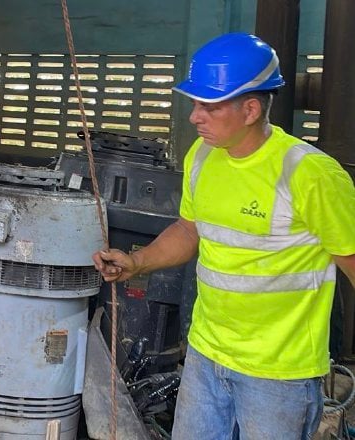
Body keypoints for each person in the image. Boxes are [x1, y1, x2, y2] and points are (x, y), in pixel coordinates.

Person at [93, 33, 355, 439]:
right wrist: (137, 262)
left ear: (250, 109)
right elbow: (188, 229)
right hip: (206, 356)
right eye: (195, 104)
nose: (194, 117)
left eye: (208, 106)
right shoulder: (201, 157)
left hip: (278, 375)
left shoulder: (310, 174)